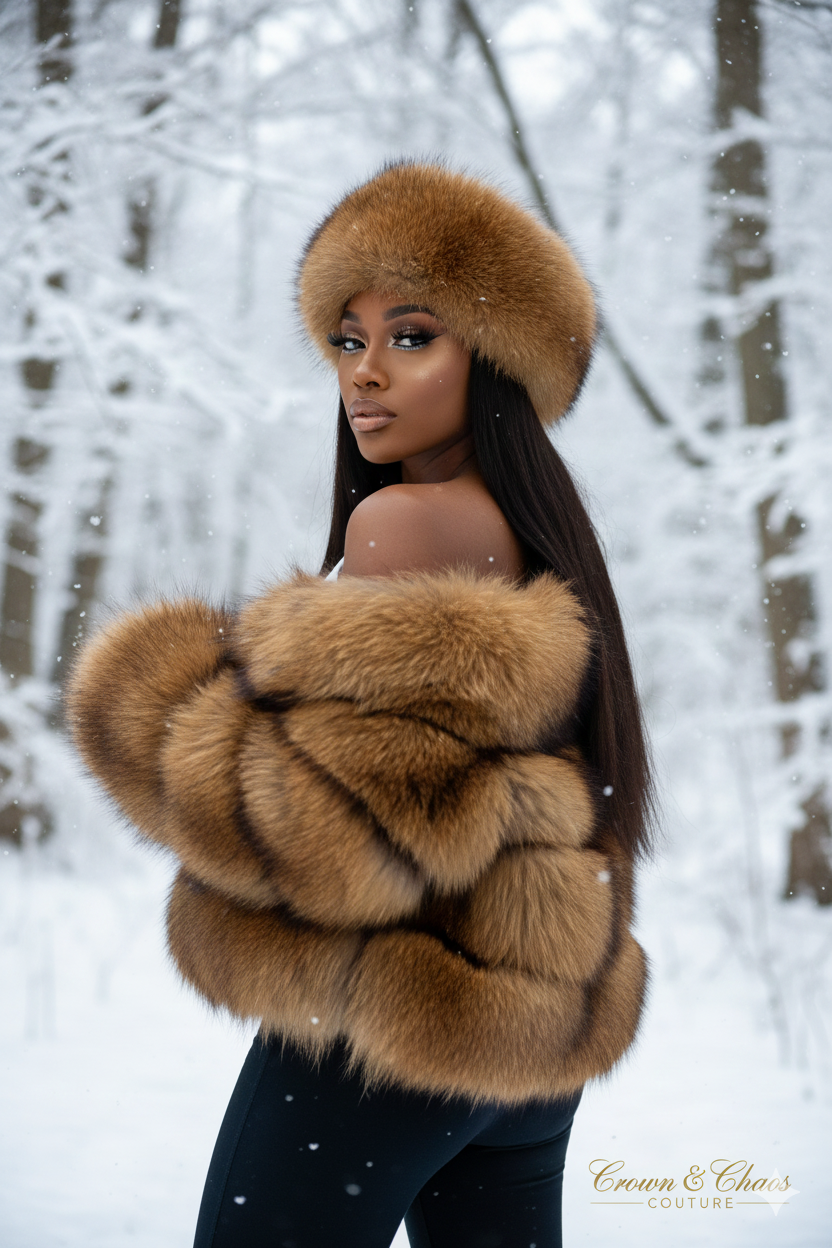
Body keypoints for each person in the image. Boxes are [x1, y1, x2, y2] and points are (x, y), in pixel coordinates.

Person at [67, 161, 656, 1248]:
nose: (365, 373)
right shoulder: (534, 528)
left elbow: (319, 835)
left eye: (412, 334)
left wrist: (144, 690)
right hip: (528, 1021)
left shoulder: (405, 524)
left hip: (395, 1021)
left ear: (495, 359)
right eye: (348, 339)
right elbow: (452, 792)